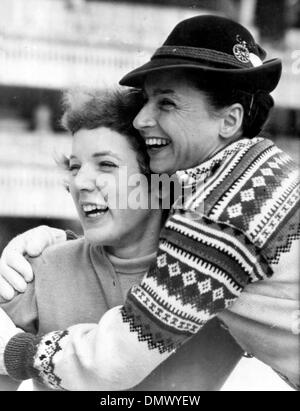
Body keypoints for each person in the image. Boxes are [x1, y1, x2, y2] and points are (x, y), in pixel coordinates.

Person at [0, 15, 299, 391]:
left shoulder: (220, 213)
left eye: (167, 103)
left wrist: (15, 353)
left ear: (229, 120)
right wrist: (50, 241)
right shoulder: (252, 174)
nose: (143, 118)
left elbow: (115, 361)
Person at [0, 87, 242, 391]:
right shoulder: (32, 273)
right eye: (75, 167)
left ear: (160, 183)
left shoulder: (216, 277)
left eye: (106, 165)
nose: (80, 182)